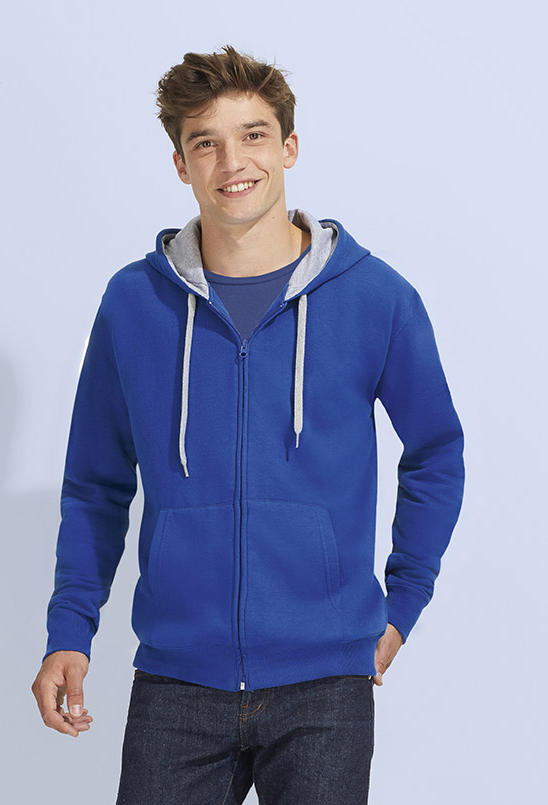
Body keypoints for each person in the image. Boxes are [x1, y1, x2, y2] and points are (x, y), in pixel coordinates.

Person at [31, 45, 465, 804]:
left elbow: (435, 452)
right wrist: (71, 628)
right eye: (206, 142)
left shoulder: (375, 297)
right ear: (180, 164)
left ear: (289, 147)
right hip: (176, 679)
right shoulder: (133, 303)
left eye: (253, 135)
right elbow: (96, 482)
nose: (232, 161)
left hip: (325, 683)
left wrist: (403, 604)